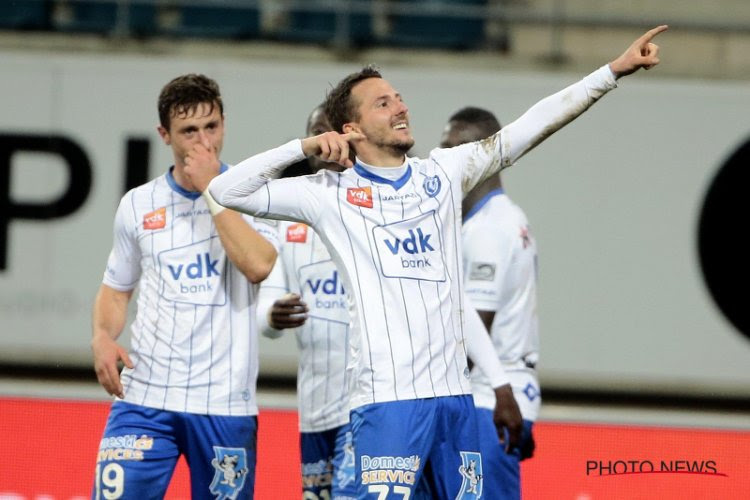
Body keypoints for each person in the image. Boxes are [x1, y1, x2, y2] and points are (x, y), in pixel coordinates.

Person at [208, 26, 666, 499]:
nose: (401, 107)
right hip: (388, 404)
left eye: (399, 97)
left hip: (454, 404)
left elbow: (531, 126)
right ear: (351, 129)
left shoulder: (445, 172)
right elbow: (225, 191)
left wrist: (612, 72)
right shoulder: (328, 195)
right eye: (382, 103)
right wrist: (301, 148)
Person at [90, 74, 278, 499]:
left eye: (211, 127)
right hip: (144, 397)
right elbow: (117, 288)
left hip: (224, 405)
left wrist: (213, 189)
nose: (202, 141)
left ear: (224, 124)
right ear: (164, 135)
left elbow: (258, 265)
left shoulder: (256, 193)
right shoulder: (138, 203)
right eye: (188, 131)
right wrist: (102, 336)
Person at [257, 104, 357, 500]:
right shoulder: (289, 220)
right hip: (315, 405)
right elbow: (266, 305)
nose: (323, 140)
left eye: (331, 130)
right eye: (315, 132)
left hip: (365, 401)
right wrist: (272, 314)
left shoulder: (376, 210)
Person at [441, 107, 540, 499]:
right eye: (444, 148)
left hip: (488, 400)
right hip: (498, 393)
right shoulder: (493, 219)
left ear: (490, 155)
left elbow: (473, 329)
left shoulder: (489, 230)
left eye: (458, 147)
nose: (448, 158)